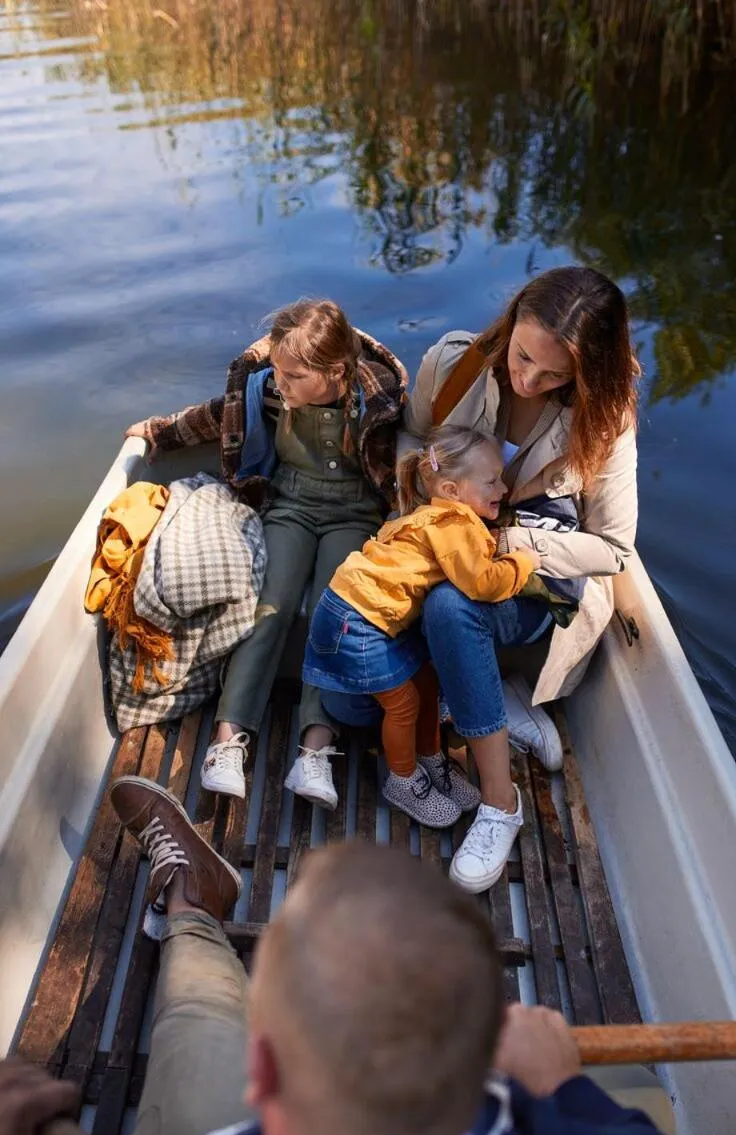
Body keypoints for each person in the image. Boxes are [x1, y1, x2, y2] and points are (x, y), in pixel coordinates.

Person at [0, 777, 736, 1135]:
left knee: (197, 1013)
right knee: (638, 1088)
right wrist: (563, 1094)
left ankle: (192, 908)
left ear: (261, 1074)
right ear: (482, 1078)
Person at [401, 265, 639, 892]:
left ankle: (500, 803)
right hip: (448, 541)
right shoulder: (452, 364)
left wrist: (513, 541)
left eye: (554, 374)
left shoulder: (606, 422)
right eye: (522, 356)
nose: (528, 378)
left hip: (533, 573)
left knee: (452, 608)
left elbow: (613, 549)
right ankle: (500, 702)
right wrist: (428, 508)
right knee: (359, 677)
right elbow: (409, 437)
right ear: (510, 325)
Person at [126, 299, 407, 812]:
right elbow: (217, 416)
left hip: (355, 515)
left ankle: (316, 749)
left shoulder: (377, 401)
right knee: (267, 607)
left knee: (333, 613)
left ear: (336, 372)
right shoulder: (267, 388)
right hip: (291, 505)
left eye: (295, 375)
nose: (281, 382)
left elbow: (414, 455)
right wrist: (160, 432)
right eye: (277, 369)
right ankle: (227, 740)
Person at [303, 425, 540, 843]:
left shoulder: (427, 513)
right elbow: (480, 583)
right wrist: (522, 564)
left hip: (349, 611)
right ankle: (403, 779)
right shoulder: (454, 524)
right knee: (405, 705)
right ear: (451, 488)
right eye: (491, 481)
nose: (503, 488)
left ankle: (431, 759)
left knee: (427, 682)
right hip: (356, 623)